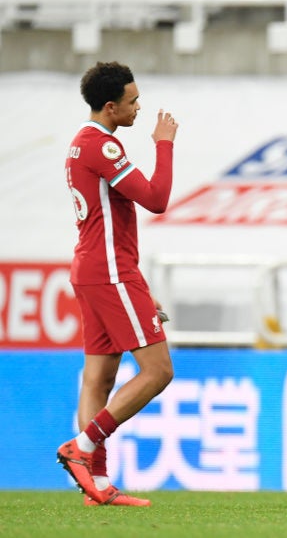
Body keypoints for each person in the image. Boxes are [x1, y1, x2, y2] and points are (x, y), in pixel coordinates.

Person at [57, 61, 178, 507]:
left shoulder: (79, 145)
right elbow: (156, 199)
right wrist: (164, 147)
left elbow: (112, 224)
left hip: (96, 268)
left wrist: (140, 286)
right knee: (158, 370)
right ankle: (82, 449)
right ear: (110, 107)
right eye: (132, 101)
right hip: (109, 271)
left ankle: (98, 485)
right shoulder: (102, 147)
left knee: (99, 377)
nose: (138, 107)